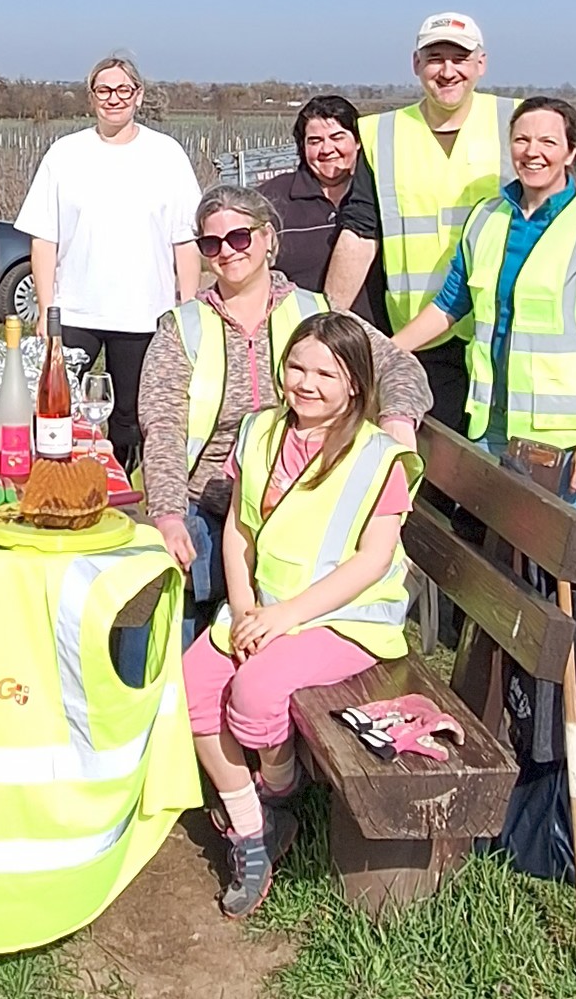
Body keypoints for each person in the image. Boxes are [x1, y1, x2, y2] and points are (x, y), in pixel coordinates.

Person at [182, 313, 422, 917]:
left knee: (256, 693)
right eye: (295, 367)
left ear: (356, 386)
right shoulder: (260, 431)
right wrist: (243, 610)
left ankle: (283, 786)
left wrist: (283, 617)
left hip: (346, 617)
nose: (306, 383)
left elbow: (372, 563)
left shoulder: (379, 458)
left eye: (325, 372)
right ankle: (253, 827)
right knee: (190, 686)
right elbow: (238, 530)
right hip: (263, 607)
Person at [137, 185, 429, 652]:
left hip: (304, 506)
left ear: (268, 237)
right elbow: (164, 425)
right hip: (207, 500)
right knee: (159, 571)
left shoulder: (314, 311)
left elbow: (398, 365)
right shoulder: (182, 326)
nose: (226, 253)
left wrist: (397, 419)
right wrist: (169, 513)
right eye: (211, 244)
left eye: (239, 238)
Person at [323, 13, 576, 436]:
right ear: (416, 64)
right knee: (430, 461)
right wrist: (327, 323)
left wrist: (566, 227)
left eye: (459, 58)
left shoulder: (519, 120)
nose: (447, 71)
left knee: (495, 467)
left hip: (501, 332)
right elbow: (360, 231)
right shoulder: (378, 134)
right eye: (435, 58)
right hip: (422, 332)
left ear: (481, 64)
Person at [389, 97, 576, 515]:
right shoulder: (486, 218)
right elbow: (450, 305)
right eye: (521, 140)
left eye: (547, 141)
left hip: (566, 435)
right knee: (504, 552)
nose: (532, 152)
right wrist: (381, 353)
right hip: (493, 423)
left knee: (557, 562)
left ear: (571, 153)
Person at [15, 55, 202, 467]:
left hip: (145, 315)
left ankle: (126, 501)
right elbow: (44, 238)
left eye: (123, 90)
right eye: (104, 90)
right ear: (91, 97)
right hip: (75, 312)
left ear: (139, 96)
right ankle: (54, 483)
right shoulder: (65, 154)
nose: (113, 99)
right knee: (54, 411)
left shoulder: (166, 155)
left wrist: (188, 313)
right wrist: (47, 310)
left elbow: (185, 241)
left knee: (131, 421)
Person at [255, 95, 377, 318]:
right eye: (315, 141)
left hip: (376, 338)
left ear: (358, 141)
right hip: (298, 335)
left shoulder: (381, 193)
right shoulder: (271, 198)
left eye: (337, 137)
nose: (326, 149)